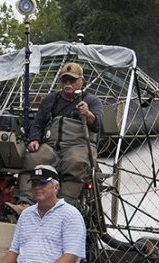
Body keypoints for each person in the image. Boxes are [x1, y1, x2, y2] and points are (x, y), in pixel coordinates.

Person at [6, 62, 104, 216]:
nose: (67, 84)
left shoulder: (92, 101)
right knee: (32, 157)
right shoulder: (51, 100)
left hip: (79, 146)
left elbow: (97, 125)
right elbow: (37, 124)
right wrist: (35, 140)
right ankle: (25, 204)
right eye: (64, 80)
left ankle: (62, 210)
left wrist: (88, 114)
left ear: (81, 82)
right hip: (52, 146)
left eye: (71, 80)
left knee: (76, 162)